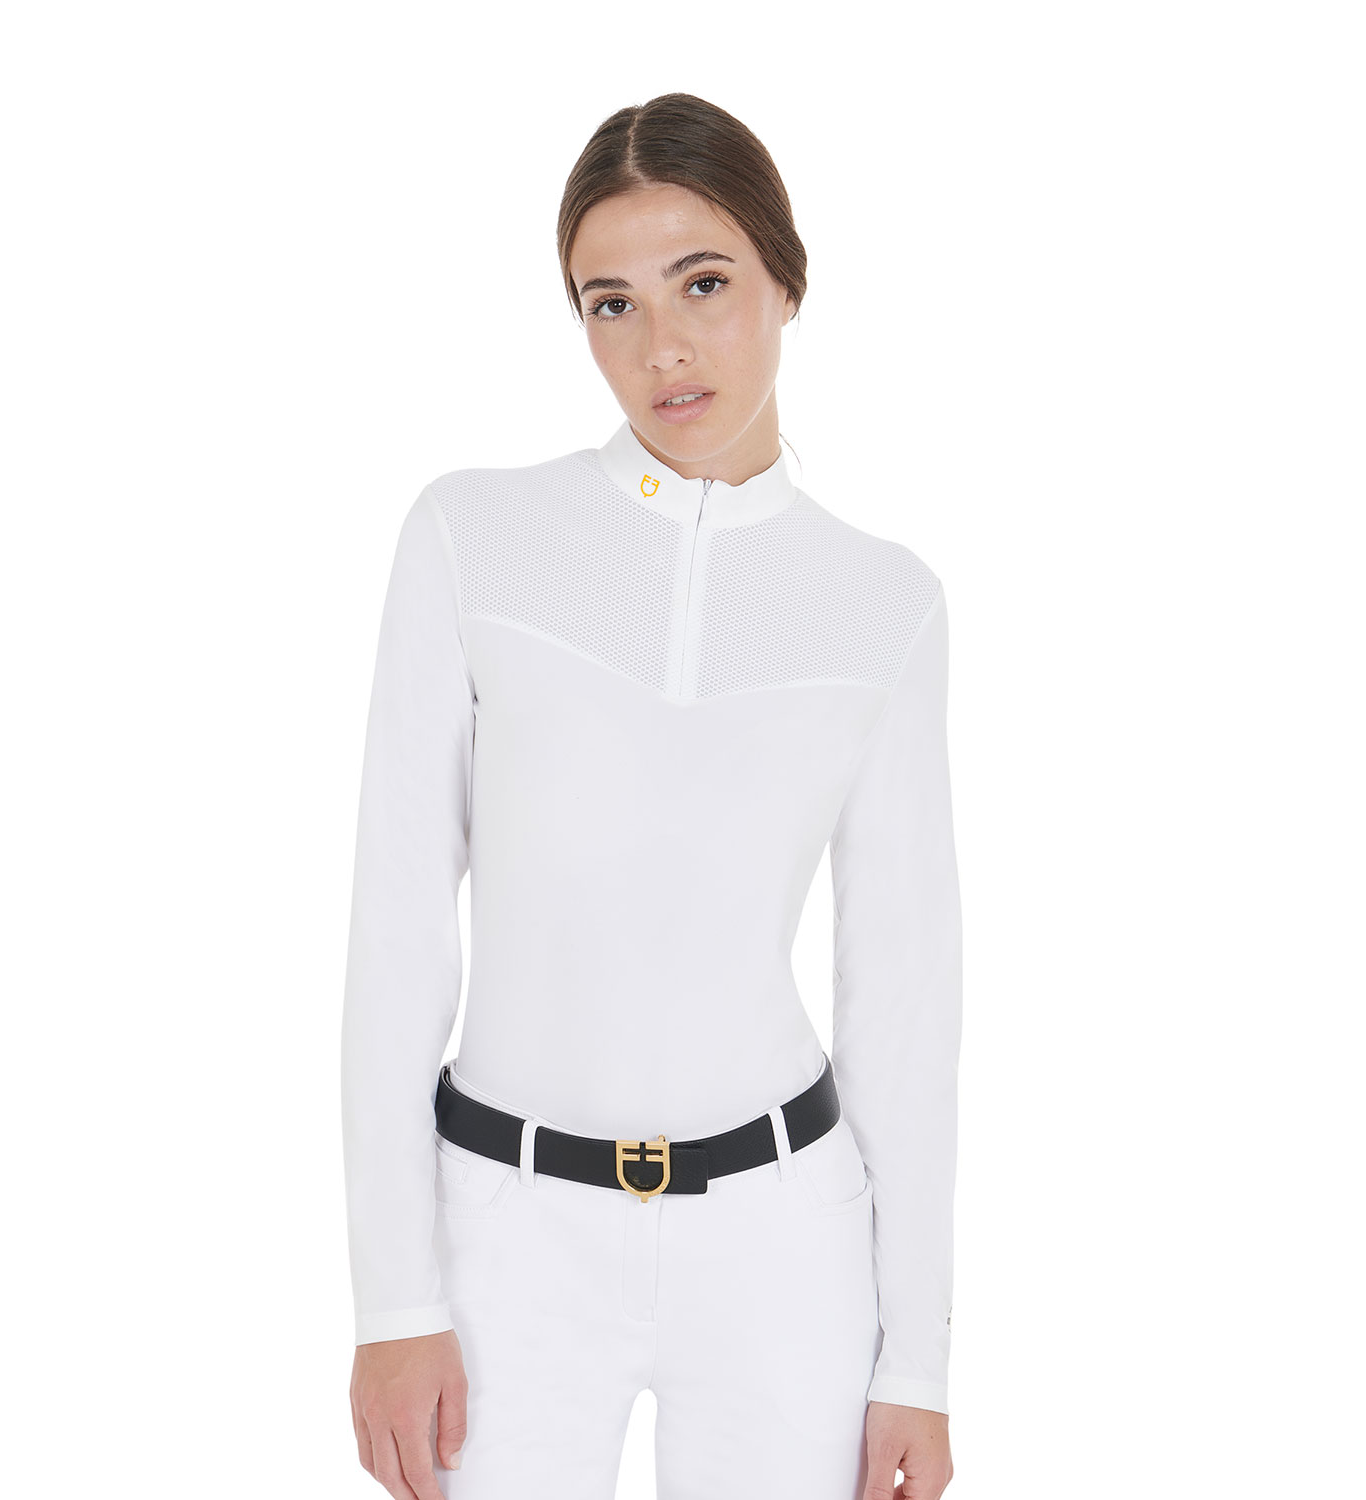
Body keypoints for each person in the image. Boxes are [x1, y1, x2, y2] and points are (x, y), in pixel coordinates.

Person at [341, 92, 961, 1500]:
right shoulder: (472, 538)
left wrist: (914, 1363)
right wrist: (394, 1299)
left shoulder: (886, 604)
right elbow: (395, 936)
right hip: (503, 1238)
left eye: (705, 283)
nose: (661, 345)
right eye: (609, 303)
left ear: (786, 282)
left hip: (784, 1242)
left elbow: (906, 997)